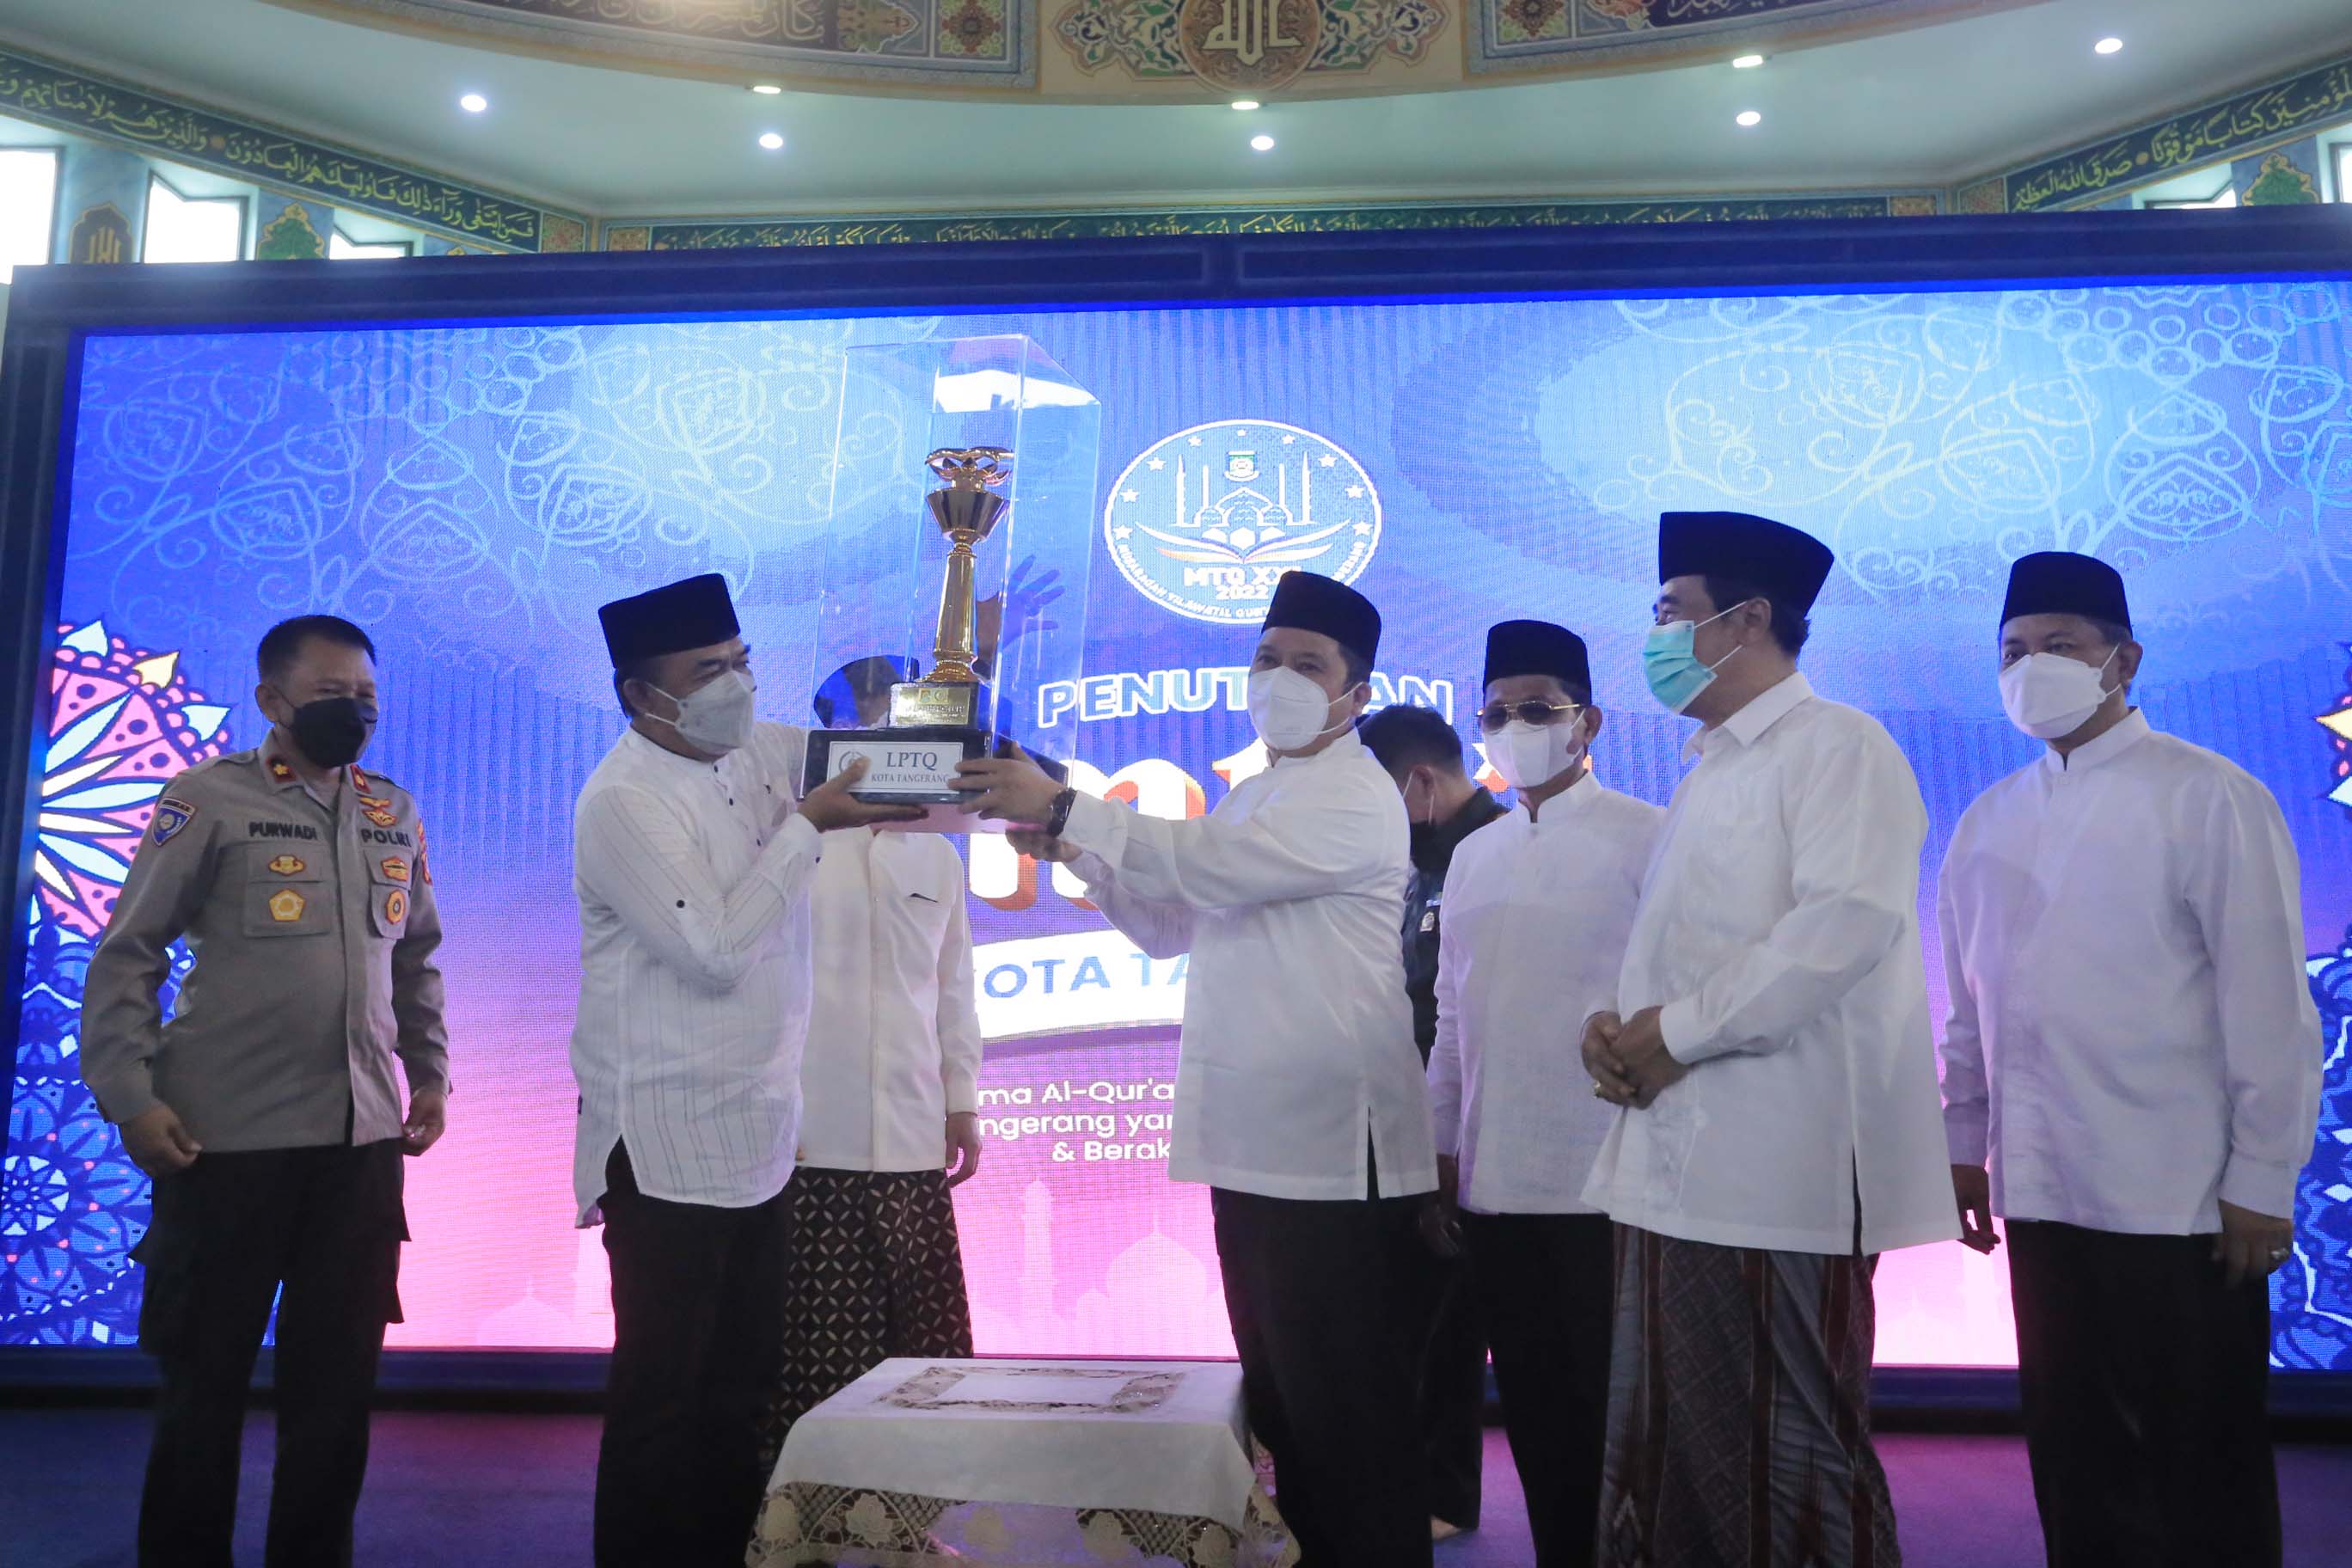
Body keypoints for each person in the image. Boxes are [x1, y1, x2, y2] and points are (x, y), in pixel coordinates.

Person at [955, 571, 1438, 1568]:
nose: (1280, 678)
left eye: (1308, 665)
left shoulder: (1353, 793)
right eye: (1268, 658)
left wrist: (1071, 806)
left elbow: (1209, 866)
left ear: (1356, 694)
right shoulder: (1262, 788)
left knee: (1348, 1416)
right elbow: (1174, 924)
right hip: (1254, 1141)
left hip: (1330, 1151)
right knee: (1290, 1411)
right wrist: (1075, 851)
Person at [1580, 512, 1956, 1567]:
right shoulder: (1707, 769)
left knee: (1786, 1463)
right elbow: (1686, 951)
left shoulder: (1839, 745)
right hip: (1672, 1166)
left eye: (1672, 612)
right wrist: (1613, 1031)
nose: (1656, 635)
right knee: (1671, 1456)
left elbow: (1842, 927)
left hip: (1780, 1172)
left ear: (1747, 621)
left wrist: (1673, 1034)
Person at [1939, 551, 2320, 1568]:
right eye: (2013, 651)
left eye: (2059, 645)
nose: (2031, 667)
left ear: (2125, 660)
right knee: (2074, 1457)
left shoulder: (2209, 796)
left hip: (2180, 1196)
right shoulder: (1987, 820)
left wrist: (2262, 1179)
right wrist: (1964, 1145)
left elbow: (2269, 1006)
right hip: (2042, 1191)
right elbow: (1970, 1011)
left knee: (2202, 1462)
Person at [81, 613, 450, 1568]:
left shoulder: (392, 810)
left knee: (336, 1399)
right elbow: (128, 954)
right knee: (203, 1391)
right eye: (332, 695)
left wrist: (431, 1074)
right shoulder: (207, 798)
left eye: (366, 696)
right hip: (225, 1144)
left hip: (360, 1148)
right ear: (273, 701)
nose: (354, 711)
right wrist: (130, 1096)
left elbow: (416, 958)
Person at [572, 573, 918, 1567]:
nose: (735, 686)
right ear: (644, 695)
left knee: (740, 1394)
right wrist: (806, 828)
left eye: (741, 662)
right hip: (665, 1140)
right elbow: (715, 951)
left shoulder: (760, 749)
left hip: (760, 1131)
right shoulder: (624, 800)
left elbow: (902, 767)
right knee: (662, 1402)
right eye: (706, 673)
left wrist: (959, 673)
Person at [1430, 620, 1662, 1568]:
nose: (1514, 728)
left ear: (1587, 722)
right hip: (1495, 1187)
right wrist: (1441, 1153)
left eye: (1536, 709)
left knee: (1624, 1428)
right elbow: (1453, 1021)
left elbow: (1674, 1006)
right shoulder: (1475, 854)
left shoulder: (1648, 837)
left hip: (1610, 1184)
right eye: (1496, 714)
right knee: (1535, 1420)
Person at [756, 656, 985, 1470]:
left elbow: (952, 989)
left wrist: (963, 1102)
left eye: (905, 726)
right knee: (810, 1358)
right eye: (873, 724)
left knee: (920, 1356)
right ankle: (799, 1516)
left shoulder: (939, 855)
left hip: (913, 1140)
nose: (894, 744)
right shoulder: (793, 842)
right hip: (809, 1144)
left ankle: (910, 1515)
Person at [1359, 700, 1501, 1542]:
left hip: (1478, 1124)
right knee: (1408, 1315)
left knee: (1450, 1323)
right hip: (1409, 1114)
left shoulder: (1497, 850)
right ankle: (1409, 1486)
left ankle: (1445, 1496)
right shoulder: (1415, 860)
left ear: (1418, 782)